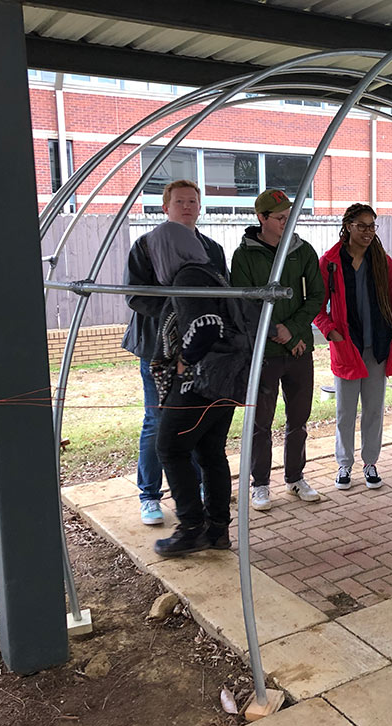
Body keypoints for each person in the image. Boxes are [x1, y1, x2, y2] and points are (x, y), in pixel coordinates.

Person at [121, 179, 227, 526]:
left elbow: (222, 296)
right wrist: (179, 309)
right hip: (157, 349)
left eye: (192, 202)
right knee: (157, 421)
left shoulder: (211, 249)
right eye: (179, 201)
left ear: (200, 208)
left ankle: (193, 487)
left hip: (198, 352)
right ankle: (149, 496)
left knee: (194, 421)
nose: (186, 207)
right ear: (165, 208)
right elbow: (135, 296)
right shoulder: (146, 246)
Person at [148, 220, 254, 557]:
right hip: (225, 379)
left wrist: (184, 360)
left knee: (169, 447)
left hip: (201, 383)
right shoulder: (209, 271)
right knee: (210, 453)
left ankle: (191, 528)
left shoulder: (188, 277)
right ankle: (217, 531)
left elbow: (205, 325)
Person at [230, 189, 325, 511]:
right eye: (281, 218)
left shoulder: (303, 251)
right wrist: (279, 334)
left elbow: (316, 296)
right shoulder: (244, 255)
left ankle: (295, 477)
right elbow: (243, 303)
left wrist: (295, 331)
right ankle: (260, 484)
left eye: (290, 216)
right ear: (262, 218)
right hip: (264, 353)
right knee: (260, 422)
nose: (287, 222)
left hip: (299, 350)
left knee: (299, 419)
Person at [314, 203, 392, 490]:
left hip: (376, 348)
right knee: (345, 412)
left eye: (372, 226)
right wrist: (330, 331)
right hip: (346, 348)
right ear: (348, 225)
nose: (368, 231)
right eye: (361, 225)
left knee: (374, 409)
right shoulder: (330, 262)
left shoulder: (383, 263)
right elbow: (316, 305)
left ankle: (370, 463)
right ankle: (344, 465)